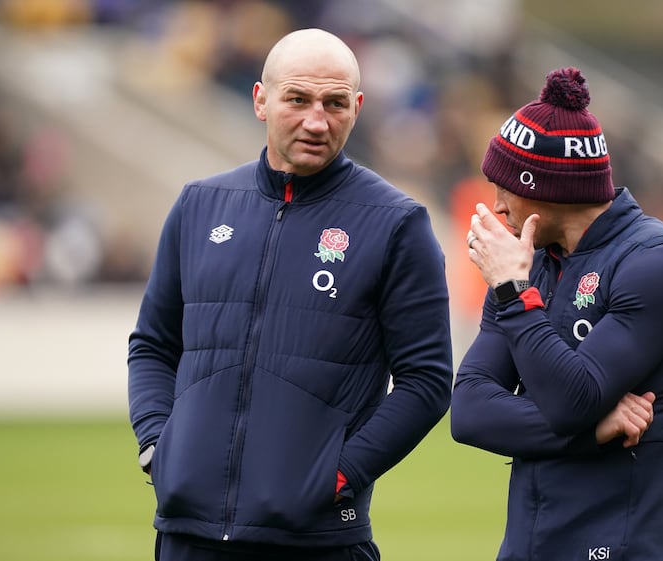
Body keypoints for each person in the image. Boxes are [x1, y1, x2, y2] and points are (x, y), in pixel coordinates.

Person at [127, 28, 453, 561]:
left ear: (359, 107)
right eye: (297, 99)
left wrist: (339, 474)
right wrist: (157, 446)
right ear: (260, 100)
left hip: (317, 540)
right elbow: (153, 345)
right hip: (188, 535)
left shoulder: (398, 225)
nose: (316, 121)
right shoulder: (199, 205)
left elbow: (428, 380)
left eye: (335, 103)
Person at [450, 67, 663, 561]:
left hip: (624, 547)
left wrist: (512, 290)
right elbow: (469, 411)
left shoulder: (658, 265)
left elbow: (574, 398)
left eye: (504, 186)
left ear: (548, 187)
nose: (496, 206)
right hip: (530, 547)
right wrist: (592, 430)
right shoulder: (529, 264)